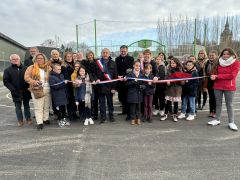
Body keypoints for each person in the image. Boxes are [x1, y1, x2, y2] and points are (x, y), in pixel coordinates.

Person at [208, 48, 240, 131]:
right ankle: (217, 120)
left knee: (229, 104)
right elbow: (214, 72)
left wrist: (218, 76)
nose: (225, 55)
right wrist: (213, 75)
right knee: (218, 104)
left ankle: (231, 122)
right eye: (224, 54)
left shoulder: (236, 62)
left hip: (229, 87)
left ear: (232, 54)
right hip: (217, 86)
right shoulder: (218, 62)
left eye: (227, 54)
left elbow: (232, 76)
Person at [24, 53, 52, 130]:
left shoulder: (48, 67)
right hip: (37, 89)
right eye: (38, 58)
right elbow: (26, 77)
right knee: (38, 107)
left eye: (41, 58)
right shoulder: (31, 67)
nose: (39, 59)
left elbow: (52, 76)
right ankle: (39, 122)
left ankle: (45, 119)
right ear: (35, 59)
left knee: (46, 106)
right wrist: (33, 81)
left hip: (48, 89)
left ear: (44, 59)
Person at [3, 54, 32, 126]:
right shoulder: (7, 70)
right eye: (13, 59)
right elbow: (6, 81)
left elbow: (30, 78)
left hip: (26, 91)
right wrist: (13, 89)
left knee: (26, 106)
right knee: (18, 106)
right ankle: (20, 120)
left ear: (19, 60)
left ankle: (28, 118)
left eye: (17, 59)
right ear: (11, 61)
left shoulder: (26, 68)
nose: (15, 60)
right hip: (15, 91)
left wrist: (30, 87)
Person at [95, 48, 118, 124]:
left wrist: (114, 88)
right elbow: (94, 73)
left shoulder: (113, 63)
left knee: (110, 103)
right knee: (101, 103)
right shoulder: (97, 62)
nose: (105, 54)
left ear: (109, 54)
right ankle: (103, 117)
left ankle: (111, 116)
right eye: (103, 52)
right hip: (100, 86)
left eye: (106, 53)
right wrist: (96, 79)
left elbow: (115, 75)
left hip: (110, 87)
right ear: (101, 53)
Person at [161, 58, 183, 122]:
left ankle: (175, 115)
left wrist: (181, 80)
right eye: (171, 63)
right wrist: (167, 82)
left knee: (176, 103)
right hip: (170, 88)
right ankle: (165, 115)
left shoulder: (180, 70)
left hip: (177, 89)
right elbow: (166, 77)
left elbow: (182, 81)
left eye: (174, 63)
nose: (172, 64)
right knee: (168, 102)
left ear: (177, 63)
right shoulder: (168, 70)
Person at [115, 45, 134, 119]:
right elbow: (116, 70)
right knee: (122, 97)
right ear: (120, 51)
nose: (123, 52)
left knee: (128, 97)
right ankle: (124, 111)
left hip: (128, 80)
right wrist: (118, 76)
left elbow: (131, 69)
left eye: (124, 51)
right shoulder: (117, 59)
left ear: (127, 51)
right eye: (122, 51)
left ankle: (129, 113)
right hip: (120, 81)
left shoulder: (131, 59)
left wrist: (127, 76)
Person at [204, 50, 218, 118]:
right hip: (209, 82)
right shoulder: (207, 62)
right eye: (210, 55)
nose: (211, 57)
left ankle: (215, 111)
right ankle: (211, 111)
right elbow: (206, 72)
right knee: (211, 97)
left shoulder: (219, 63)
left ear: (216, 56)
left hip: (216, 82)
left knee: (215, 98)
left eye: (212, 55)